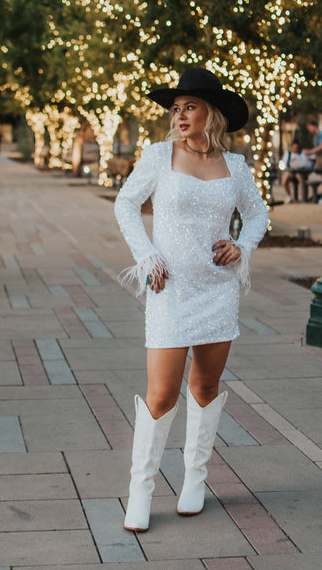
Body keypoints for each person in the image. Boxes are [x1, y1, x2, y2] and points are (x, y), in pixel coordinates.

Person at [114, 67, 268, 532]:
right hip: (170, 290)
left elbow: (258, 214)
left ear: (211, 113)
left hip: (217, 291)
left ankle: (194, 481)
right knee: (161, 394)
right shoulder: (160, 156)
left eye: (190, 107)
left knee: (204, 389)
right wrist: (146, 256)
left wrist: (243, 246)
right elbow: (125, 204)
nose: (180, 115)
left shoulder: (235, 166)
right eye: (176, 108)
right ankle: (140, 491)